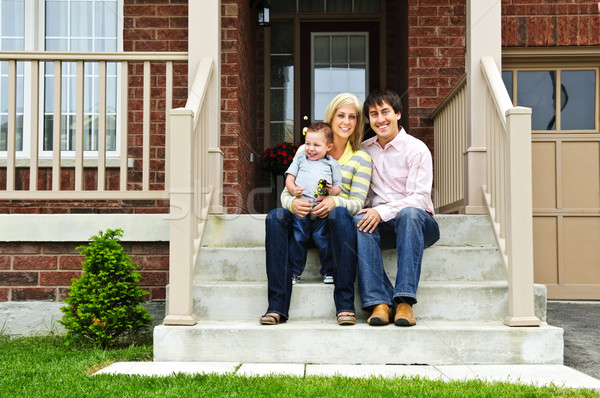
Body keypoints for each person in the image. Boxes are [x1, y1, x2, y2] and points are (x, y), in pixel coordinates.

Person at [260, 92, 372, 326]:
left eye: (352, 116)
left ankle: (344, 307)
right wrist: (293, 203)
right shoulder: (306, 150)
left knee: (340, 213)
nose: (346, 121)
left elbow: (357, 202)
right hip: (301, 221)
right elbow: (286, 192)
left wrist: (334, 202)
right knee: (275, 216)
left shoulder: (361, 158)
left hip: (331, 229)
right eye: (341, 115)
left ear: (358, 122)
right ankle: (276, 307)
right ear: (331, 118)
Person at [355, 89, 440, 327]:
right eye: (374, 114)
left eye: (385, 112)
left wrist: (381, 211)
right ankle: (379, 302)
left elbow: (419, 198)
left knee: (409, 213)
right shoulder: (364, 150)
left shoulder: (416, 149)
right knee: (358, 221)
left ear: (398, 114)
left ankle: (404, 302)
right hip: (384, 224)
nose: (380, 119)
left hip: (420, 224)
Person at [284, 122, 342, 284]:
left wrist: (331, 192)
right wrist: (293, 190)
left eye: (317, 145)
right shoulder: (301, 158)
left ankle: (328, 271)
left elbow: (338, 188)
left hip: (320, 211)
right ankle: (294, 272)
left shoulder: (332, 164)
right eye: (307, 143)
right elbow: (289, 179)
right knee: (298, 238)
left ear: (329, 147)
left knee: (322, 238)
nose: (311, 148)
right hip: (301, 209)